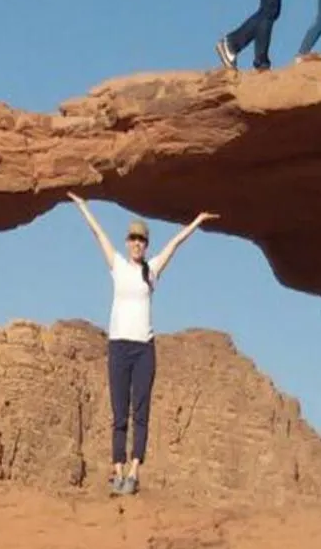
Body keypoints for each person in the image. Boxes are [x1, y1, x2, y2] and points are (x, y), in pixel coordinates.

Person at [68, 194, 218, 495]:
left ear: (146, 245)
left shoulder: (152, 270)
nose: (137, 244)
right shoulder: (118, 266)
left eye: (142, 240)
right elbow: (98, 233)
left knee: (141, 410)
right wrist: (83, 206)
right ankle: (118, 470)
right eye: (133, 239)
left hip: (144, 348)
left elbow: (175, 245)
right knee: (119, 410)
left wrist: (197, 222)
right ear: (127, 242)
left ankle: (134, 472)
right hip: (119, 346)